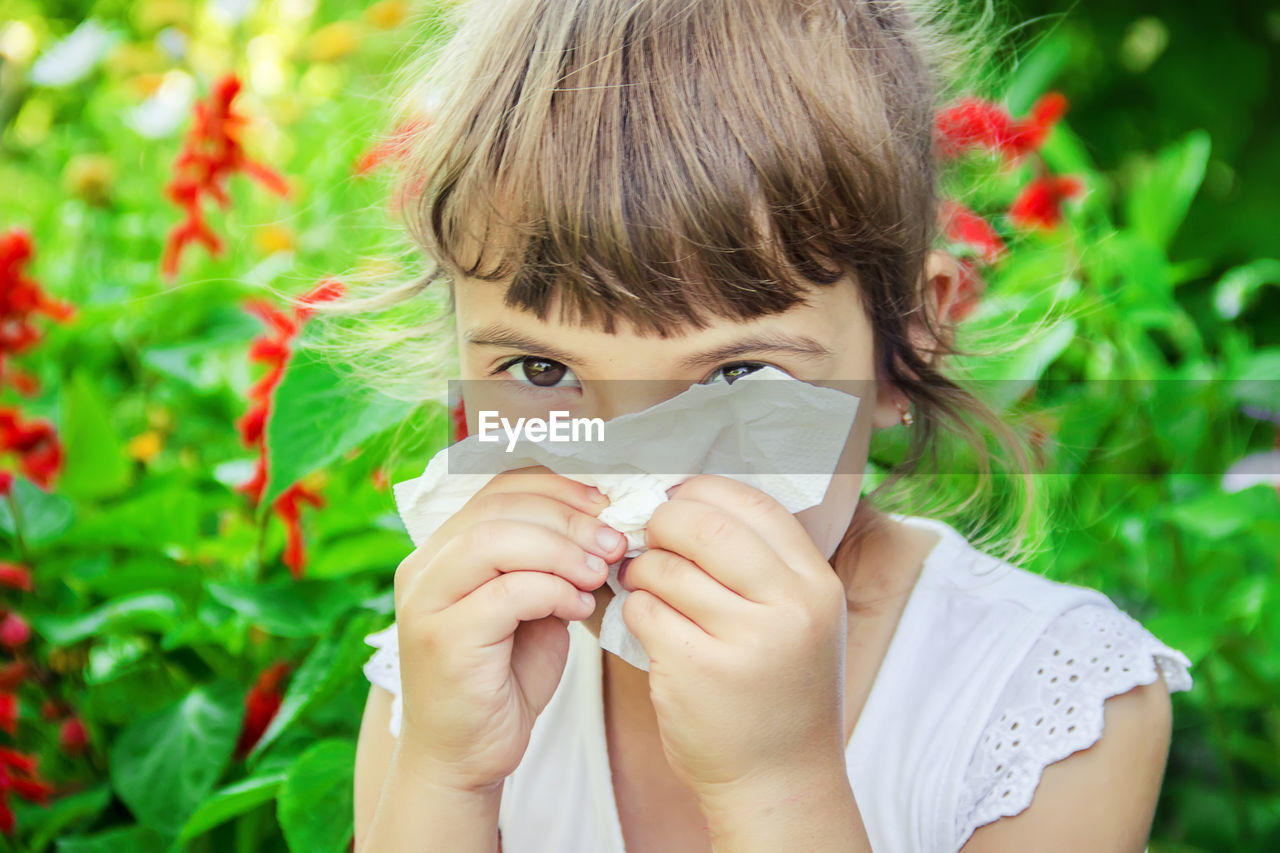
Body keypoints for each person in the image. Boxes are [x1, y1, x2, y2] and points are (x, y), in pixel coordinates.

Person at [345, 1, 1194, 850]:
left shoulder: (1047, 697)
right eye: (542, 371)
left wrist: (776, 780)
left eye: (735, 377)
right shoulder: (446, 674)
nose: (633, 467)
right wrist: (445, 775)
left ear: (906, 341)